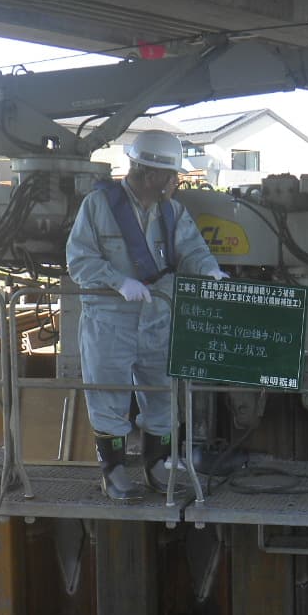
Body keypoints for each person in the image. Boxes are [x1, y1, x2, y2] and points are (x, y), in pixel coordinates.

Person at [66, 129, 227, 501]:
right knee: (109, 393)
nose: (177, 182)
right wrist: (117, 280)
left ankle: (159, 465)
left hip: (159, 316)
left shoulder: (172, 211)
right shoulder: (99, 205)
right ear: (151, 174)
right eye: (172, 175)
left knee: (163, 392)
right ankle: (115, 472)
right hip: (110, 318)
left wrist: (210, 270)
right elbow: (80, 258)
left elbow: (192, 250)